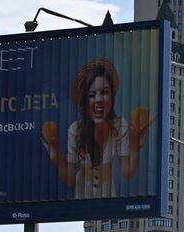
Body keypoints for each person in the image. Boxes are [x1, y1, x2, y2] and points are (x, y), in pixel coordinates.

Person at [41, 58, 150, 199]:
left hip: (108, 194)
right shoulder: (75, 130)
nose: (98, 100)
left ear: (112, 96)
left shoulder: (119, 125)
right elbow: (69, 178)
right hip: (82, 195)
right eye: (92, 95)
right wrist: (56, 156)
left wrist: (135, 147)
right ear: (85, 101)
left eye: (104, 92)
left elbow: (127, 173)